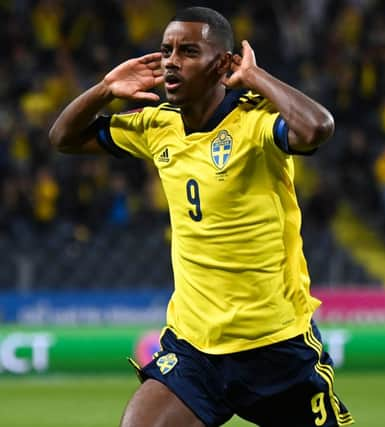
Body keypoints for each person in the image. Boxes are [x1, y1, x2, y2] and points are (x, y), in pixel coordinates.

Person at [49, 7, 353, 427]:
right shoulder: (158, 125)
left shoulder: (255, 123)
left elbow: (317, 128)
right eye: (166, 50)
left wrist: (255, 77)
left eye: (188, 51)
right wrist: (105, 89)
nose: (172, 60)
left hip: (275, 346)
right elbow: (63, 138)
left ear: (223, 64)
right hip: (195, 348)